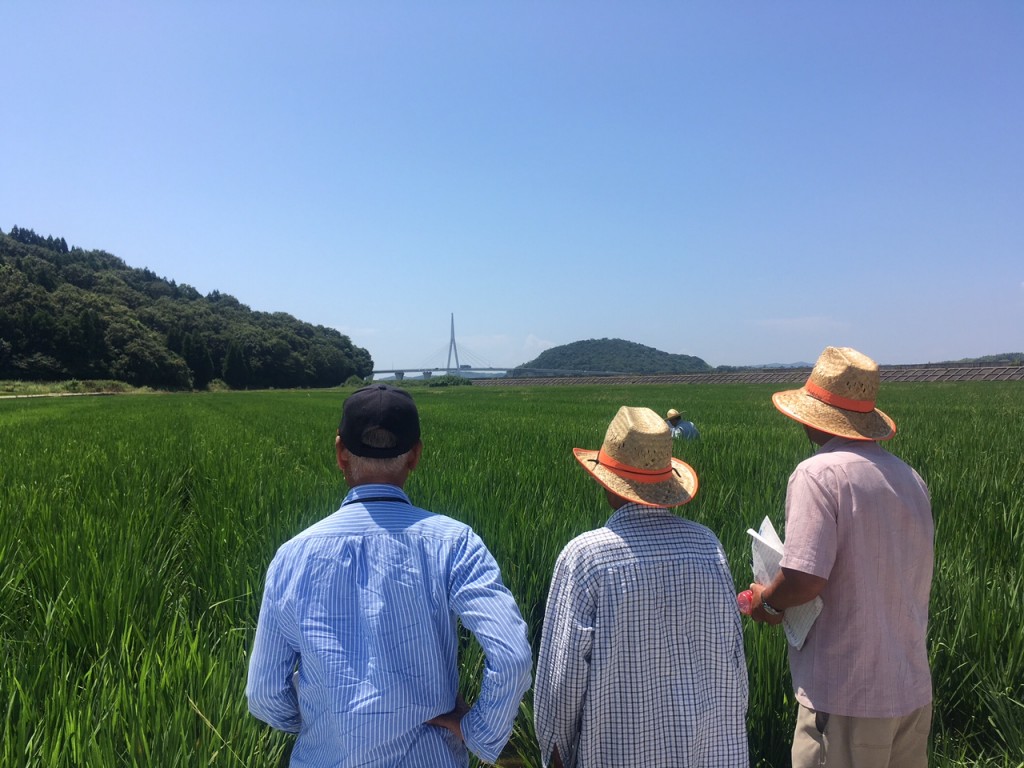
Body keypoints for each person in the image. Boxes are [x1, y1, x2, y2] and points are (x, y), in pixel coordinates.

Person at [247, 384, 533, 767]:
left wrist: (321, 722)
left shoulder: (293, 555)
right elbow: (512, 656)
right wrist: (480, 731)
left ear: (340, 453)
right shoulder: (454, 542)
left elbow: (264, 694)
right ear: (415, 455)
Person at [747, 347, 934, 768]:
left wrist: (768, 601)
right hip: (910, 690)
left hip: (847, 697)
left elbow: (804, 578)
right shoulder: (909, 478)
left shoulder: (818, 473)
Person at [534, 405, 748, 768]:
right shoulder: (708, 546)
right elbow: (734, 664)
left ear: (606, 481)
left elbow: (561, 688)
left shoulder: (587, 558)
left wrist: (554, 754)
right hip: (709, 754)